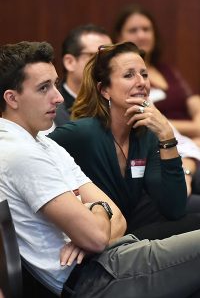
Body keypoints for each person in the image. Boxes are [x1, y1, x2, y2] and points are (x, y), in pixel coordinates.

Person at [2, 41, 200, 298]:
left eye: (143, 74)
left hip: (113, 254)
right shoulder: (24, 152)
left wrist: (94, 222)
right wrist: (97, 213)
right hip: (97, 276)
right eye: (44, 88)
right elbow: (97, 231)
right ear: (12, 98)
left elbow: (118, 218)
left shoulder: (41, 145)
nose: (59, 97)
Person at [49, 41, 200, 241]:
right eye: (129, 75)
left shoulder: (147, 134)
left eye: (144, 74)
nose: (141, 82)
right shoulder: (83, 133)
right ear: (105, 90)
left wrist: (167, 137)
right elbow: (36, 151)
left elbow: (174, 208)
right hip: (98, 241)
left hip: (130, 233)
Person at [112, 3, 200, 195]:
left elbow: (196, 105)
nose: (141, 35)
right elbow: (151, 120)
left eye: (146, 29)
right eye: (133, 30)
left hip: (185, 143)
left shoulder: (167, 70)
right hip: (168, 146)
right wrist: (191, 133)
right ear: (119, 37)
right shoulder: (130, 88)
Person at [55, 24, 112, 126]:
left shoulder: (115, 104)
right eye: (97, 56)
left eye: (110, 56)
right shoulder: (51, 108)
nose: (107, 63)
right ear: (70, 62)